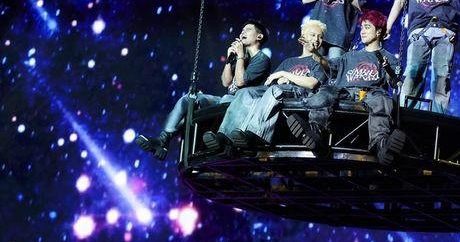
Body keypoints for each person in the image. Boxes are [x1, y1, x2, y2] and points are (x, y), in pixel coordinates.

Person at [134, 20, 272, 160]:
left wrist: (241, 56)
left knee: (219, 101)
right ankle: (163, 139)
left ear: (259, 36)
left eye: (248, 29)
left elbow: (241, 82)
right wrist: (229, 59)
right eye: (242, 30)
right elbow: (226, 82)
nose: (243, 32)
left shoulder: (262, 59)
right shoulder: (241, 57)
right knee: (190, 99)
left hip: (241, 104)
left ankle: (164, 141)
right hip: (226, 99)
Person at [289, 10, 405, 165]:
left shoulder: (388, 57)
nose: (362, 31)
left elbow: (393, 81)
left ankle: (381, 145)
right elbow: (329, 65)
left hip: (371, 93)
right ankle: (315, 133)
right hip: (346, 92)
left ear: (378, 32)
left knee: (382, 101)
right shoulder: (349, 56)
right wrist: (316, 54)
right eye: (362, 28)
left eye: (367, 27)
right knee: (325, 92)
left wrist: (389, 70)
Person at [202, 20, 330, 154]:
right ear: (303, 36)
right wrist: (280, 78)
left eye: (320, 37)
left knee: (275, 90)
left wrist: (285, 75)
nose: (317, 39)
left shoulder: (322, 61)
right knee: (245, 92)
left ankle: (255, 134)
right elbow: (270, 82)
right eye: (313, 35)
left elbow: (312, 83)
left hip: (300, 94)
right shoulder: (288, 61)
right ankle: (224, 136)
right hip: (278, 89)